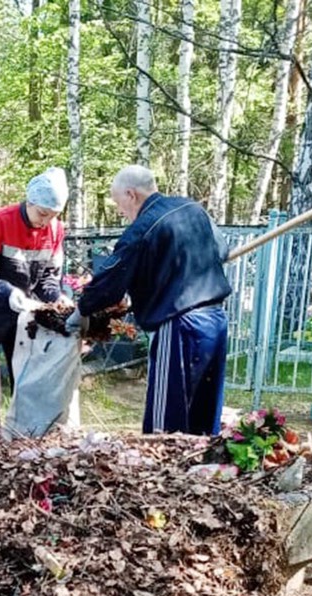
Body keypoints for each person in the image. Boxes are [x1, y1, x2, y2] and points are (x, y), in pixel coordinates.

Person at [76, 165, 231, 435]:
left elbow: (111, 280)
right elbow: (223, 250)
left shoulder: (144, 228)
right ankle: (200, 473)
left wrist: (81, 310)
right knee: (203, 418)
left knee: (165, 426)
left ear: (131, 194)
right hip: (216, 322)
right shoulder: (194, 210)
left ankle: (163, 476)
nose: (120, 211)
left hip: (181, 325)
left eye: (118, 202)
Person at [0, 167, 68, 444]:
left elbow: (49, 277)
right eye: (42, 213)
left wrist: (55, 298)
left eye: (53, 215)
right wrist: (8, 293)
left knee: (24, 379)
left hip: (24, 317)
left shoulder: (56, 229)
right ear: (30, 201)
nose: (45, 221)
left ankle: (23, 438)